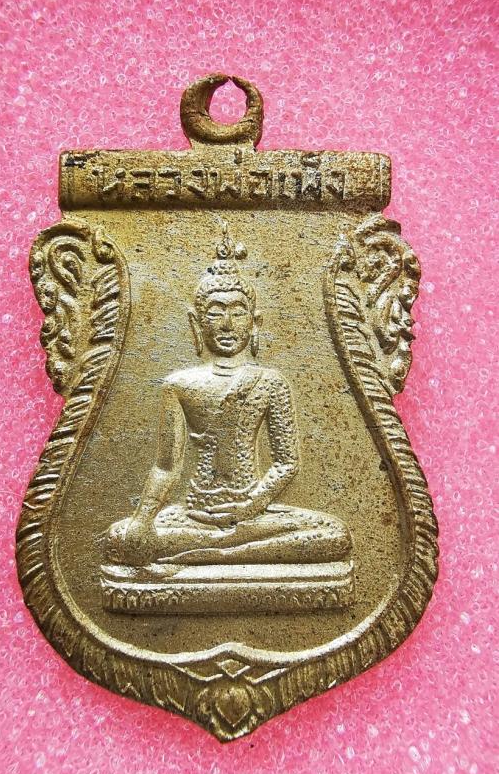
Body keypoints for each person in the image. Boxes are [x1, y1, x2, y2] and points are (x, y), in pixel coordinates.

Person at [105, 231, 350, 569]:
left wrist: (251, 505)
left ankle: (219, 553)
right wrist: (142, 520)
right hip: (196, 514)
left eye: (238, 312)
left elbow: (287, 462)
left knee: (335, 534)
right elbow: (166, 466)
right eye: (215, 312)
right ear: (196, 321)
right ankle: (228, 549)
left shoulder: (270, 382)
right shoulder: (180, 385)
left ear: (254, 321)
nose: (227, 324)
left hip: (252, 514)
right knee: (119, 536)